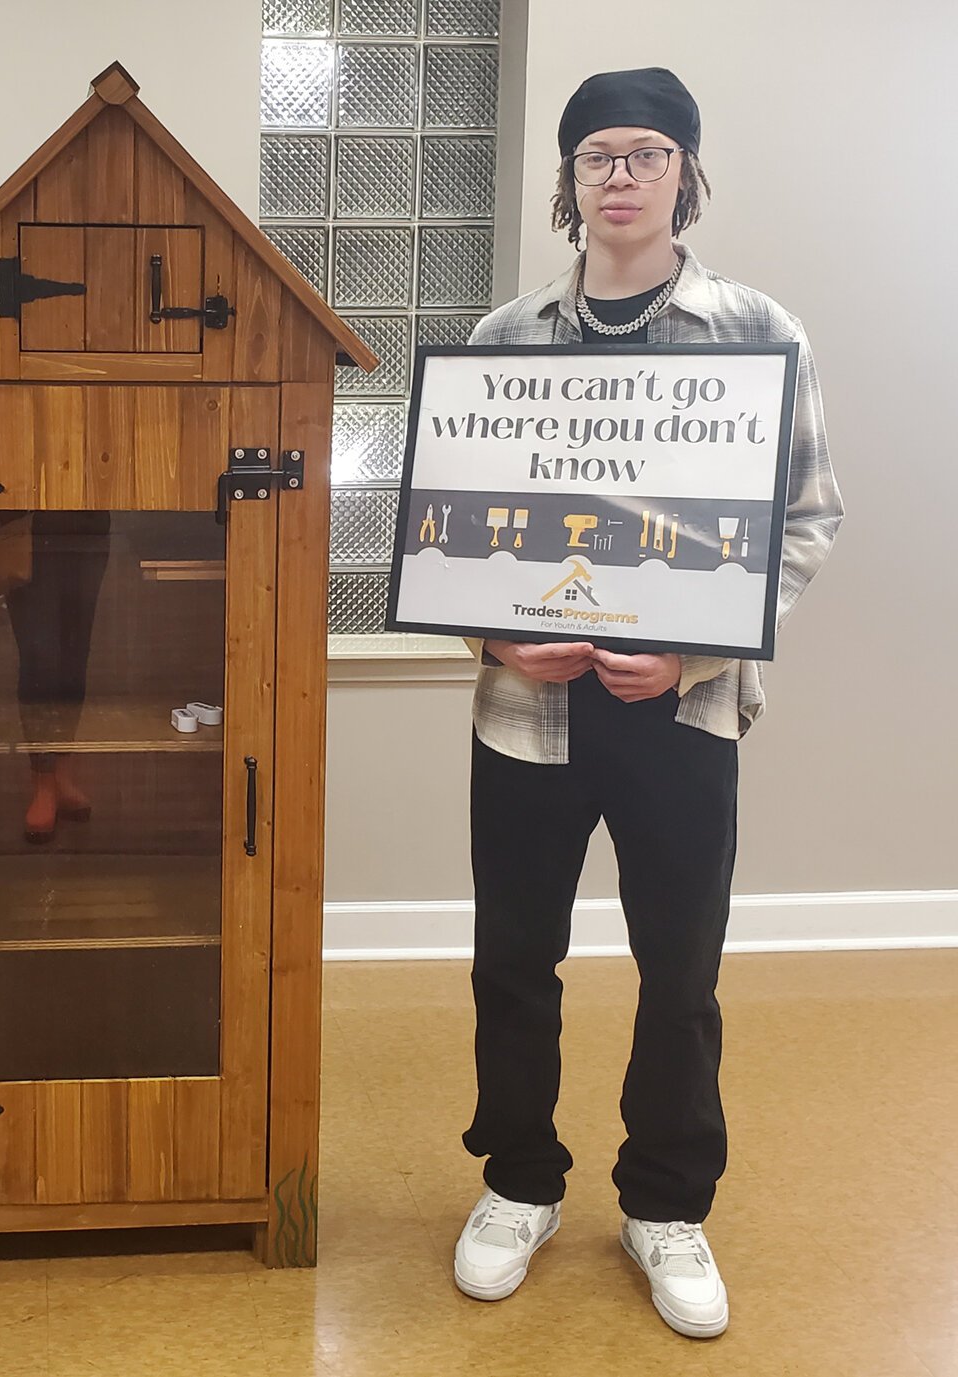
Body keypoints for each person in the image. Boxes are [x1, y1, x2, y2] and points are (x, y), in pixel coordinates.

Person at [449, 70, 843, 1339]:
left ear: (684, 174)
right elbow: (451, 532)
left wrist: (695, 655)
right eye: (597, 156)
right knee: (514, 959)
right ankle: (517, 1181)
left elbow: (805, 519)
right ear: (568, 183)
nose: (621, 176)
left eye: (648, 154)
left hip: (682, 713)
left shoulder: (757, 333)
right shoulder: (504, 342)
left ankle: (667, 1203)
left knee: (679, 969)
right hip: (528, 711)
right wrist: (490, 631)